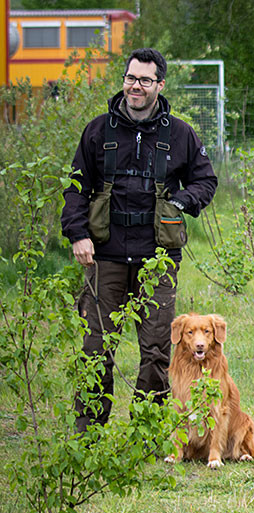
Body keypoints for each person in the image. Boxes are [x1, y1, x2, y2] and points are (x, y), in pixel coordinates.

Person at [61, 47, 218, 432]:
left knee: (156, 353)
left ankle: (146, 435)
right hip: (104, 259)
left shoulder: (179, 133)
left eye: (145, 80)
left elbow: (206, 180)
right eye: (131, 78)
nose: (136, 86)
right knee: (96, 350)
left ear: (159, 85)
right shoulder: (98, 130)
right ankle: (89, 434)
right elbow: (75, 187)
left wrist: (181, 200)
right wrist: (78, 234)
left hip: (157, 261)